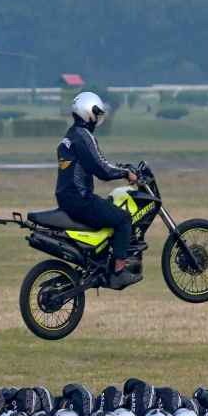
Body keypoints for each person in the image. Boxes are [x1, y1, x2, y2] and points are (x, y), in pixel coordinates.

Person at [56, 91, 141, 290]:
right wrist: (126, 173)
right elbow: (101, 168)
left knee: (109, 207)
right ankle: (119, 271)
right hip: (80, 199)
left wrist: (120, 169)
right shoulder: (84, 137)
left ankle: (102, 260)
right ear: (88, 113)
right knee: (123, 219)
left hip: (68, 198)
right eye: (97, 113)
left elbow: (95, 163)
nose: (98, 119)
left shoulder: (70, 136)